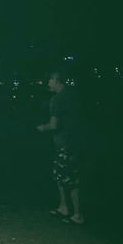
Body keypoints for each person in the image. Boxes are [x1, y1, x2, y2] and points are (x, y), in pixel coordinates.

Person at [37, 71, 84, 224]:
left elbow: (54, 124)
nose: (48, 83)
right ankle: (64, 207)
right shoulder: (72, 96)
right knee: (61, 175)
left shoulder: (56, 100)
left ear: (56, 81)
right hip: (74, 140)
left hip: (64, 143)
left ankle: (78, 214)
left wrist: (41, 128)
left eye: (50, 80)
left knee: (69, 178)